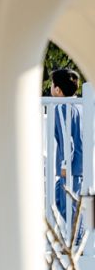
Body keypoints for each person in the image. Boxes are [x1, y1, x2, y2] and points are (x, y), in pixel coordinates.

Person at [52, 68, 83, 224]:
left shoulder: (61, 107)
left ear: (58, 90)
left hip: (70, 166)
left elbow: (66, 138)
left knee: (70, 209)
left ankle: (78, 237)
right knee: (59, 199)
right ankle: (77, 233)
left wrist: (65, 163)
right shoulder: (79, 105)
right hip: (79, 165)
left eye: (52, 85)